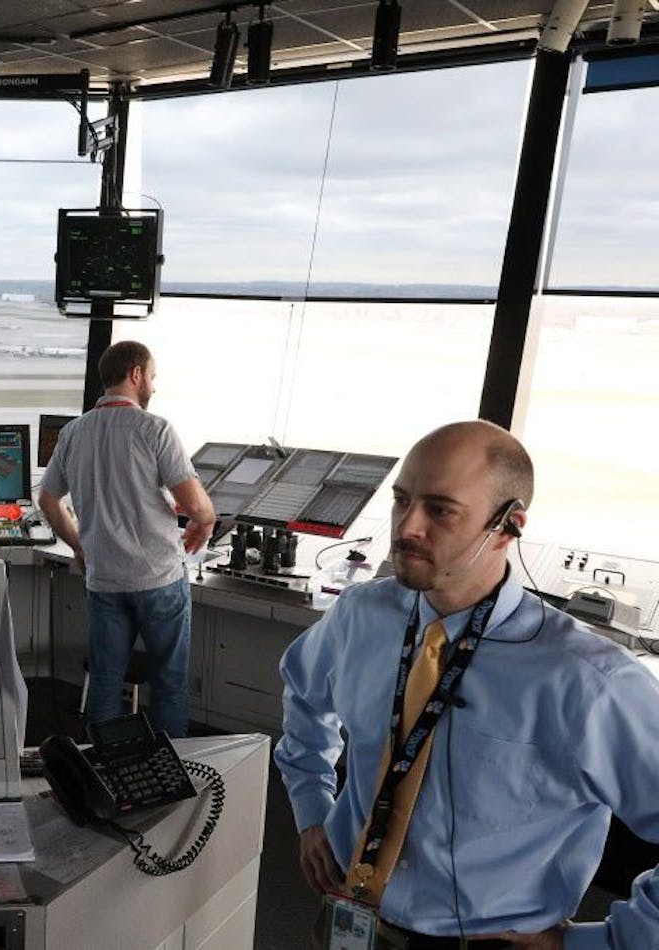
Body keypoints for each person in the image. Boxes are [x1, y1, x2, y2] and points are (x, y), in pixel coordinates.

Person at [275, 420, 659, 949]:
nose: (408, 527)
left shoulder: (589, 680)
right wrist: (312, 809)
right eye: (401, 500)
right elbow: (303, 695)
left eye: (440, 509)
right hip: (350, 917)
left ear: (508, 526)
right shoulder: (362, 615)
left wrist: (603, 943)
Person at [37, 340, 215, 738]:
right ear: (136, 374)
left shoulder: (73, 432)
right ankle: (172, 772)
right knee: (168, 684)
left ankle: (102, 772)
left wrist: (79, 545)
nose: (153, 385)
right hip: (158, 579)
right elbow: (197, 507)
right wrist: (203, 525)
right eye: (151, 376)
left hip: (104, 579)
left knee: (104, 682)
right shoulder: (155, 429)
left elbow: (48, 500)